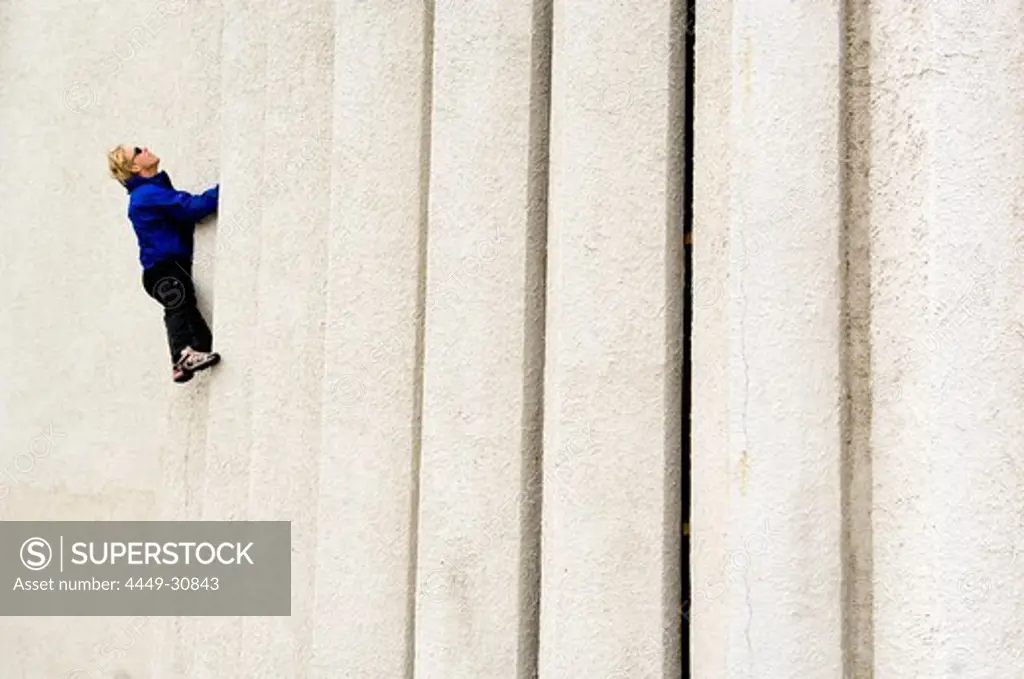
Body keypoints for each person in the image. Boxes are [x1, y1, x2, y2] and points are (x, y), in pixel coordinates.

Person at [107, 144, 222, 383]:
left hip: (166, 269)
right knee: (178, 302)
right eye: (138, 150)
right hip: (162, 270)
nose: (145, 148)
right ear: (135, 166)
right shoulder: (147, 195)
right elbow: (192, 208)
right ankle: (181, 357)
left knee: (189, 311)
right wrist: (229, 188)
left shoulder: (153, 191)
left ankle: (198, 349)